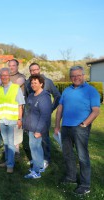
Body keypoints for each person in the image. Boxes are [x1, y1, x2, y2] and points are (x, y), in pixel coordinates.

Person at [54, 66, 100, 195]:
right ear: (70, 77)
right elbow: (60, 108)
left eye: (78, 75)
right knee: (67, 154)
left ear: (83, 75)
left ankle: (85, 185)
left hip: (80, 128)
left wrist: (84, 124)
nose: (76, 78)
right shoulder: (67, 91)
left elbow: (96, 110)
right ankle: (71, 177)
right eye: (73, 76)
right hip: (66, 127)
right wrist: (57, 125)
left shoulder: (91, 91)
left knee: (82, 156)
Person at [24, 62, 61, 168]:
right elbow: (27, 98)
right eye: (32, 70)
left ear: (39, 69)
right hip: (32, 117)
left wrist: (51, 108)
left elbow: (58, 96)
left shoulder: (48, 82)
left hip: (43, 117)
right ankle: (36, 159)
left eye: (36, 69)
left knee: (44, 139)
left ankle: (46, 159)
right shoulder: (27, 83)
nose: (34, 71)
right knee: (33, 140)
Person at [0, 68, 25, 173]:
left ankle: (10, 165)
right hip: (2, 120)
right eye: (2, 75)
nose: (4, 77)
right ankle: (7, 161)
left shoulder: (16, 88)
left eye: (6, 75)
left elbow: (20, 105)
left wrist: (19, 119)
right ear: (0, 77)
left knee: (11, 143)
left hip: (13, 120)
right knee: (6, 142)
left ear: (9, 76)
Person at [23, 75, 52, 179]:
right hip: (31, 127)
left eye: (35, 83)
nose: (33, 85)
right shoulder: (31, 95)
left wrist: (39, 130)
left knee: (35, 148)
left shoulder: (44, 97)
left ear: (41, 84)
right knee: (35, 148)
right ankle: (39, 166)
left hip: (37, 128)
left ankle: (36, 172)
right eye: (32, 83)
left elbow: (45, 115)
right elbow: (28, 111)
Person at [7, 59, 26, 158]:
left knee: (17, 128)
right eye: (10, 65)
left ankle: (17, 150)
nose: (11, 67)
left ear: (17, 66)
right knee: (8, 127)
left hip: (18, 106)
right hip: (7, 106)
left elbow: (14, 87)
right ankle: (9, 148)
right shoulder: (6, 76)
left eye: (13, 65)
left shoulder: (21, 77)